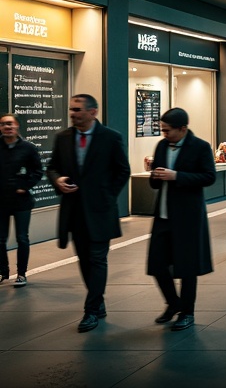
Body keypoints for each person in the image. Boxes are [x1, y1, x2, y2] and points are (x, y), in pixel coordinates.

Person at [46, 93, 131, 332]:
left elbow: (122, 170)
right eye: (71, 109)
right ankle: (98, 301)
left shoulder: (111, 138)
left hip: (101, 211)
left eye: (77, 110)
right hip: (74, 212)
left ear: (93, 112)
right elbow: (52, 167)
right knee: (84, 260)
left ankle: (91, 310)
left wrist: (107, 196)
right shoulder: (62, 138)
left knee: (97, 259)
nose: (72, 113)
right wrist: (58, 179)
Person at [145, 107, 216, 332]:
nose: (164, 134)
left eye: (167, 130)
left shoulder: (201, 147)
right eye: (162, 130)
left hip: (188, 217)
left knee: (187, 267)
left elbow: (209, 176)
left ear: (183, 129)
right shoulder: (162, 145)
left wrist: (177, 176)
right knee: (156, 264)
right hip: (163, 215)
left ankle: (187, 312)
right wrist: (153, 173)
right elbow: (156, 182)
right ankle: (173, 304)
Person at [0, 113, 43, 286]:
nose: (7, 127)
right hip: (1, 201)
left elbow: (38, 171)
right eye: (3, 124)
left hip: (21, 201)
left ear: (17, 125)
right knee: (0, 239)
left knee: (22, 238)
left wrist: (24, 186)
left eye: (10, 123)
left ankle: (22, 274)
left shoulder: (28, 148)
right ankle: (3, 272)